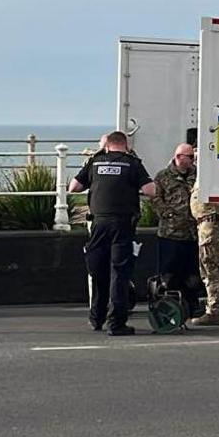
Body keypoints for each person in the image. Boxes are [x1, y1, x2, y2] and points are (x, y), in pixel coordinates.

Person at [69, 131, 156, 336]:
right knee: (119, 273)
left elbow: (74, 187)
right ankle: (116, 323)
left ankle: (96, 318)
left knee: (98, 271)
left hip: (99, 224)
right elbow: (151, 190)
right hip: (122, 225)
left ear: (106, 145)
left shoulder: (95, 161)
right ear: (126, 145)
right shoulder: (132, 163)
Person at [151, 144, 200, 318]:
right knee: (169, 275)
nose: (193, 161)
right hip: (170, 234)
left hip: (193, 234)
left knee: (193, 276)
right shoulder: (164, 176)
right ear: (179, 157)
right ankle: (169, 307)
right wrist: (168, 214)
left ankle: (192, 307)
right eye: (190, 157)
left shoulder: (197, 175)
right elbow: (155, 198)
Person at [188, 176, 219, 326]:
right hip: (207, 222)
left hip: (211, 222)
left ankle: (215, 311)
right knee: (212, 266)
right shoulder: (204, 169)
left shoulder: (211, 167)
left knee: (210, 266)